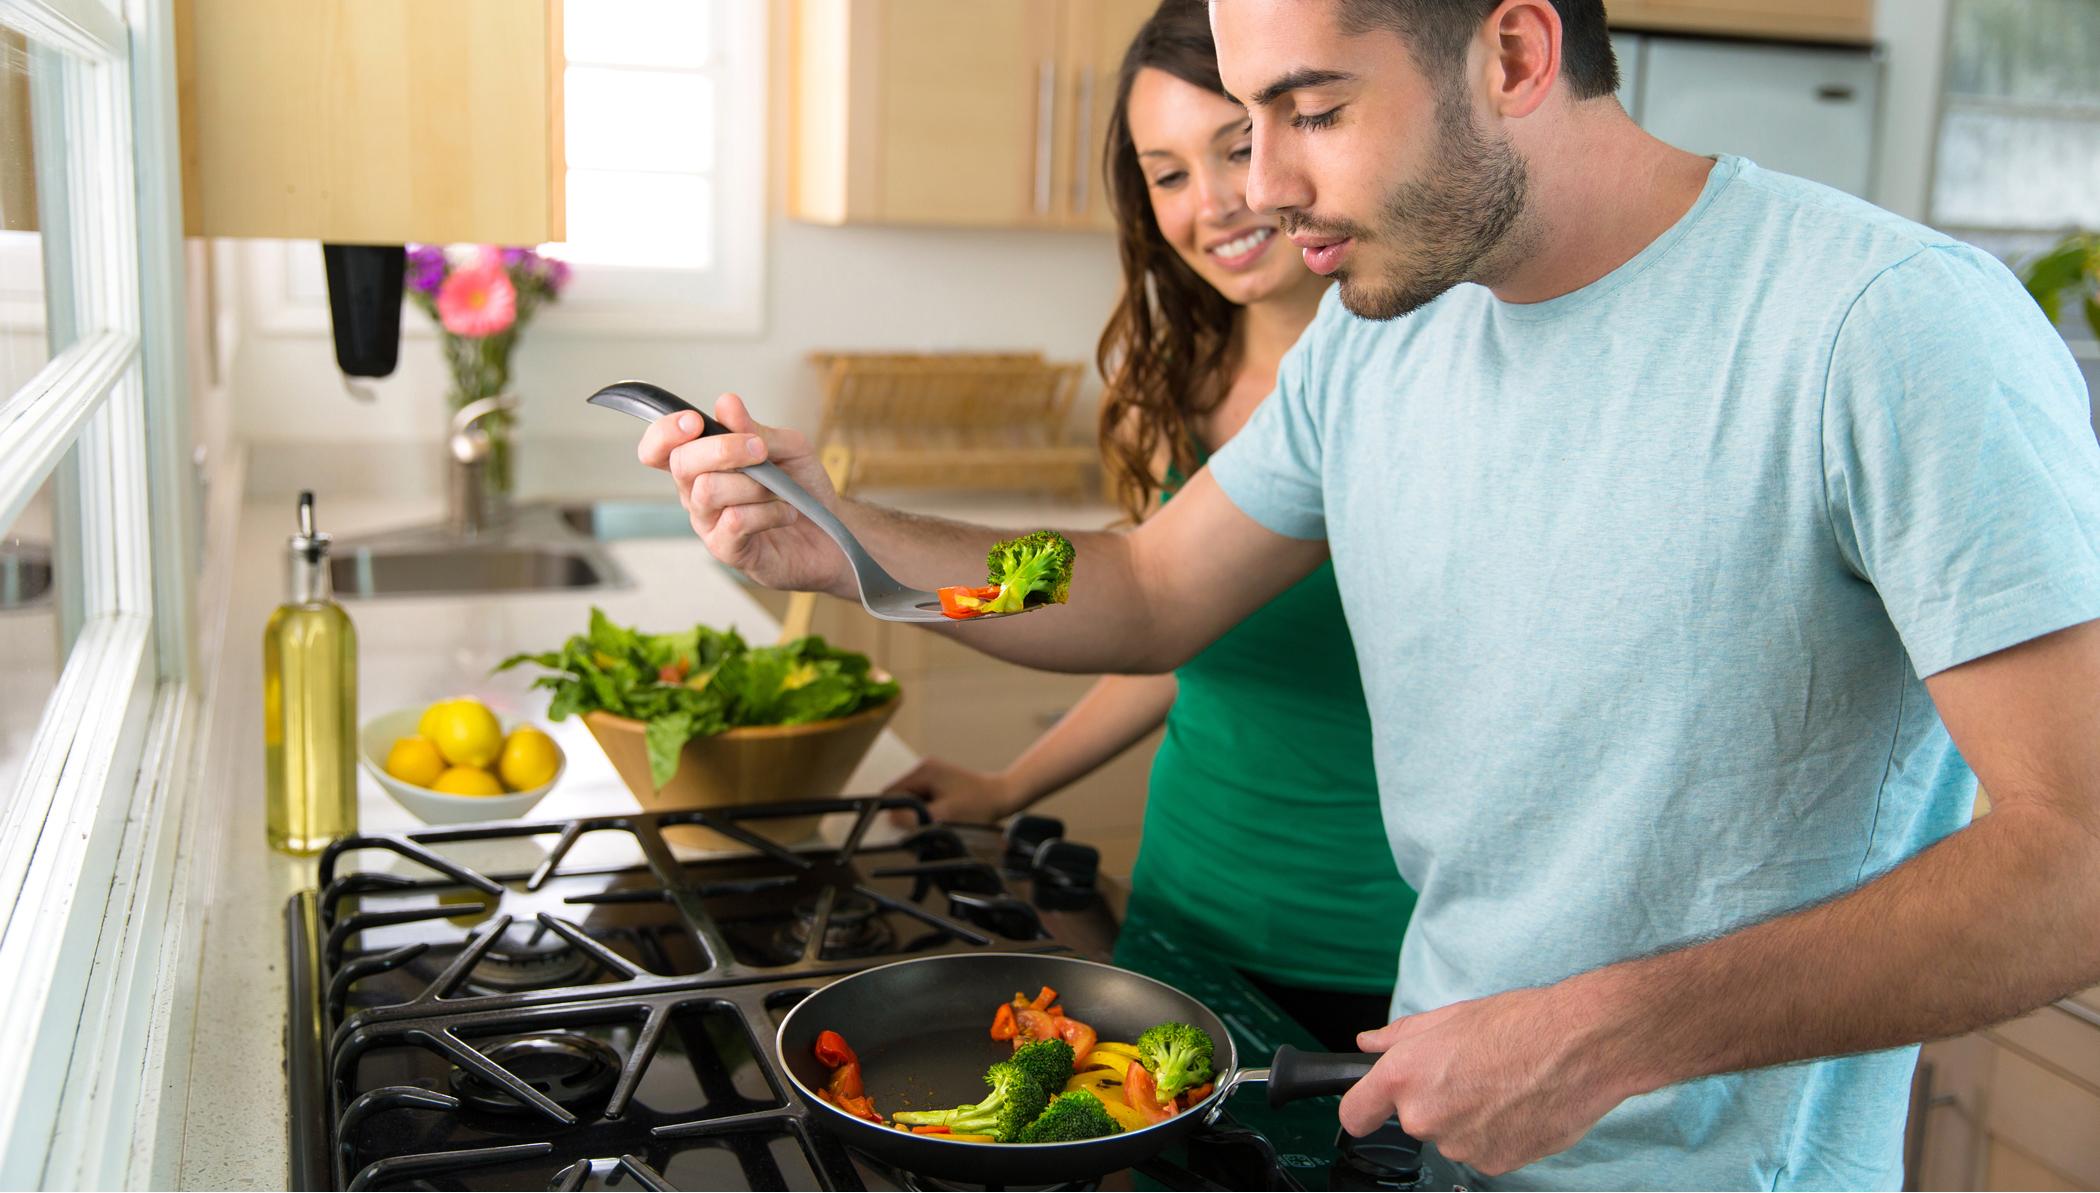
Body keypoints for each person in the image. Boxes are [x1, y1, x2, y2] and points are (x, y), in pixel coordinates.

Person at [636, 0, 2100, 1187]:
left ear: (1515, 55)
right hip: (1443, 1132)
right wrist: (860, 545)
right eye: (1249, 118)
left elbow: (2077, 857)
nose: (1262, 185)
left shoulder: (1883, 326)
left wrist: (1594, 1039)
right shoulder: (1375, 343)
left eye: (1315, 112)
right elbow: (1143, 586)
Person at [879, 0, 1415, 1052]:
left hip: (1388, 947)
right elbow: (1151, 608)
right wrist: (1007, 784)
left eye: (1241, 145)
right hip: (1187, 902)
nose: (1217, 202)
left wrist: (858, 543)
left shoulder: (1427, 374)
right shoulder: (1160, 388)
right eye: (1168, 173)